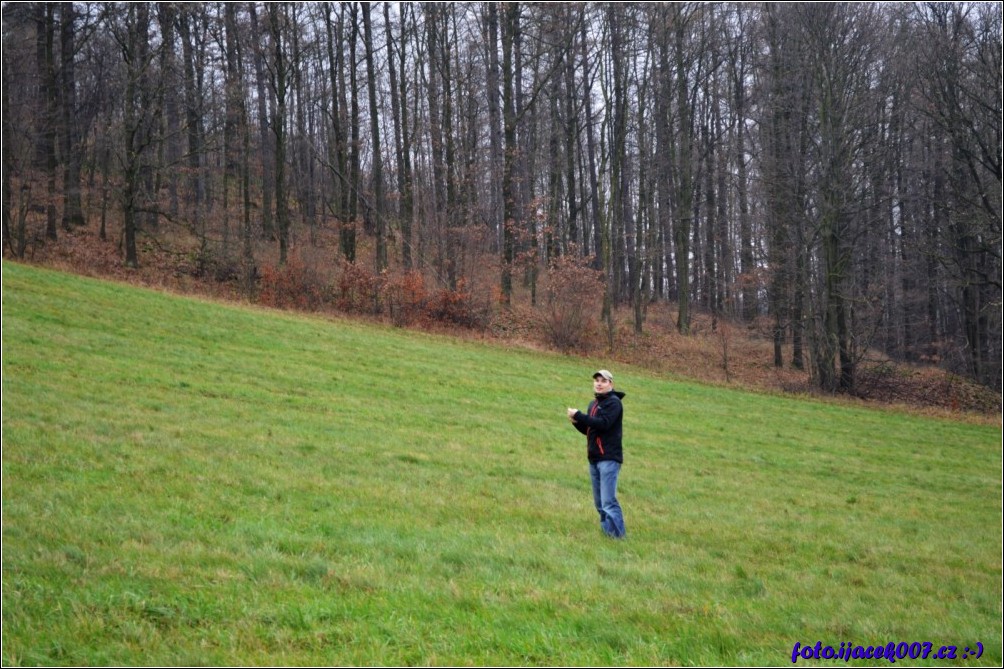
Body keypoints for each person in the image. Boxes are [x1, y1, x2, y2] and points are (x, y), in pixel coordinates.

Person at [567, 369, 626, 539]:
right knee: (600, 503)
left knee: (608, 502)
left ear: (611, 384)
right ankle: (608, 535)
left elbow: (604, 424)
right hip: (594, 459)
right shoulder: (593, 404)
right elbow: (590, 430)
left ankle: (618, 537)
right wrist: (576, 422)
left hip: (608, 458)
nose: (599, 383)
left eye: (603, 381)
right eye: (597, 380)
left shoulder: (614, 403)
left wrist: (579, 415)